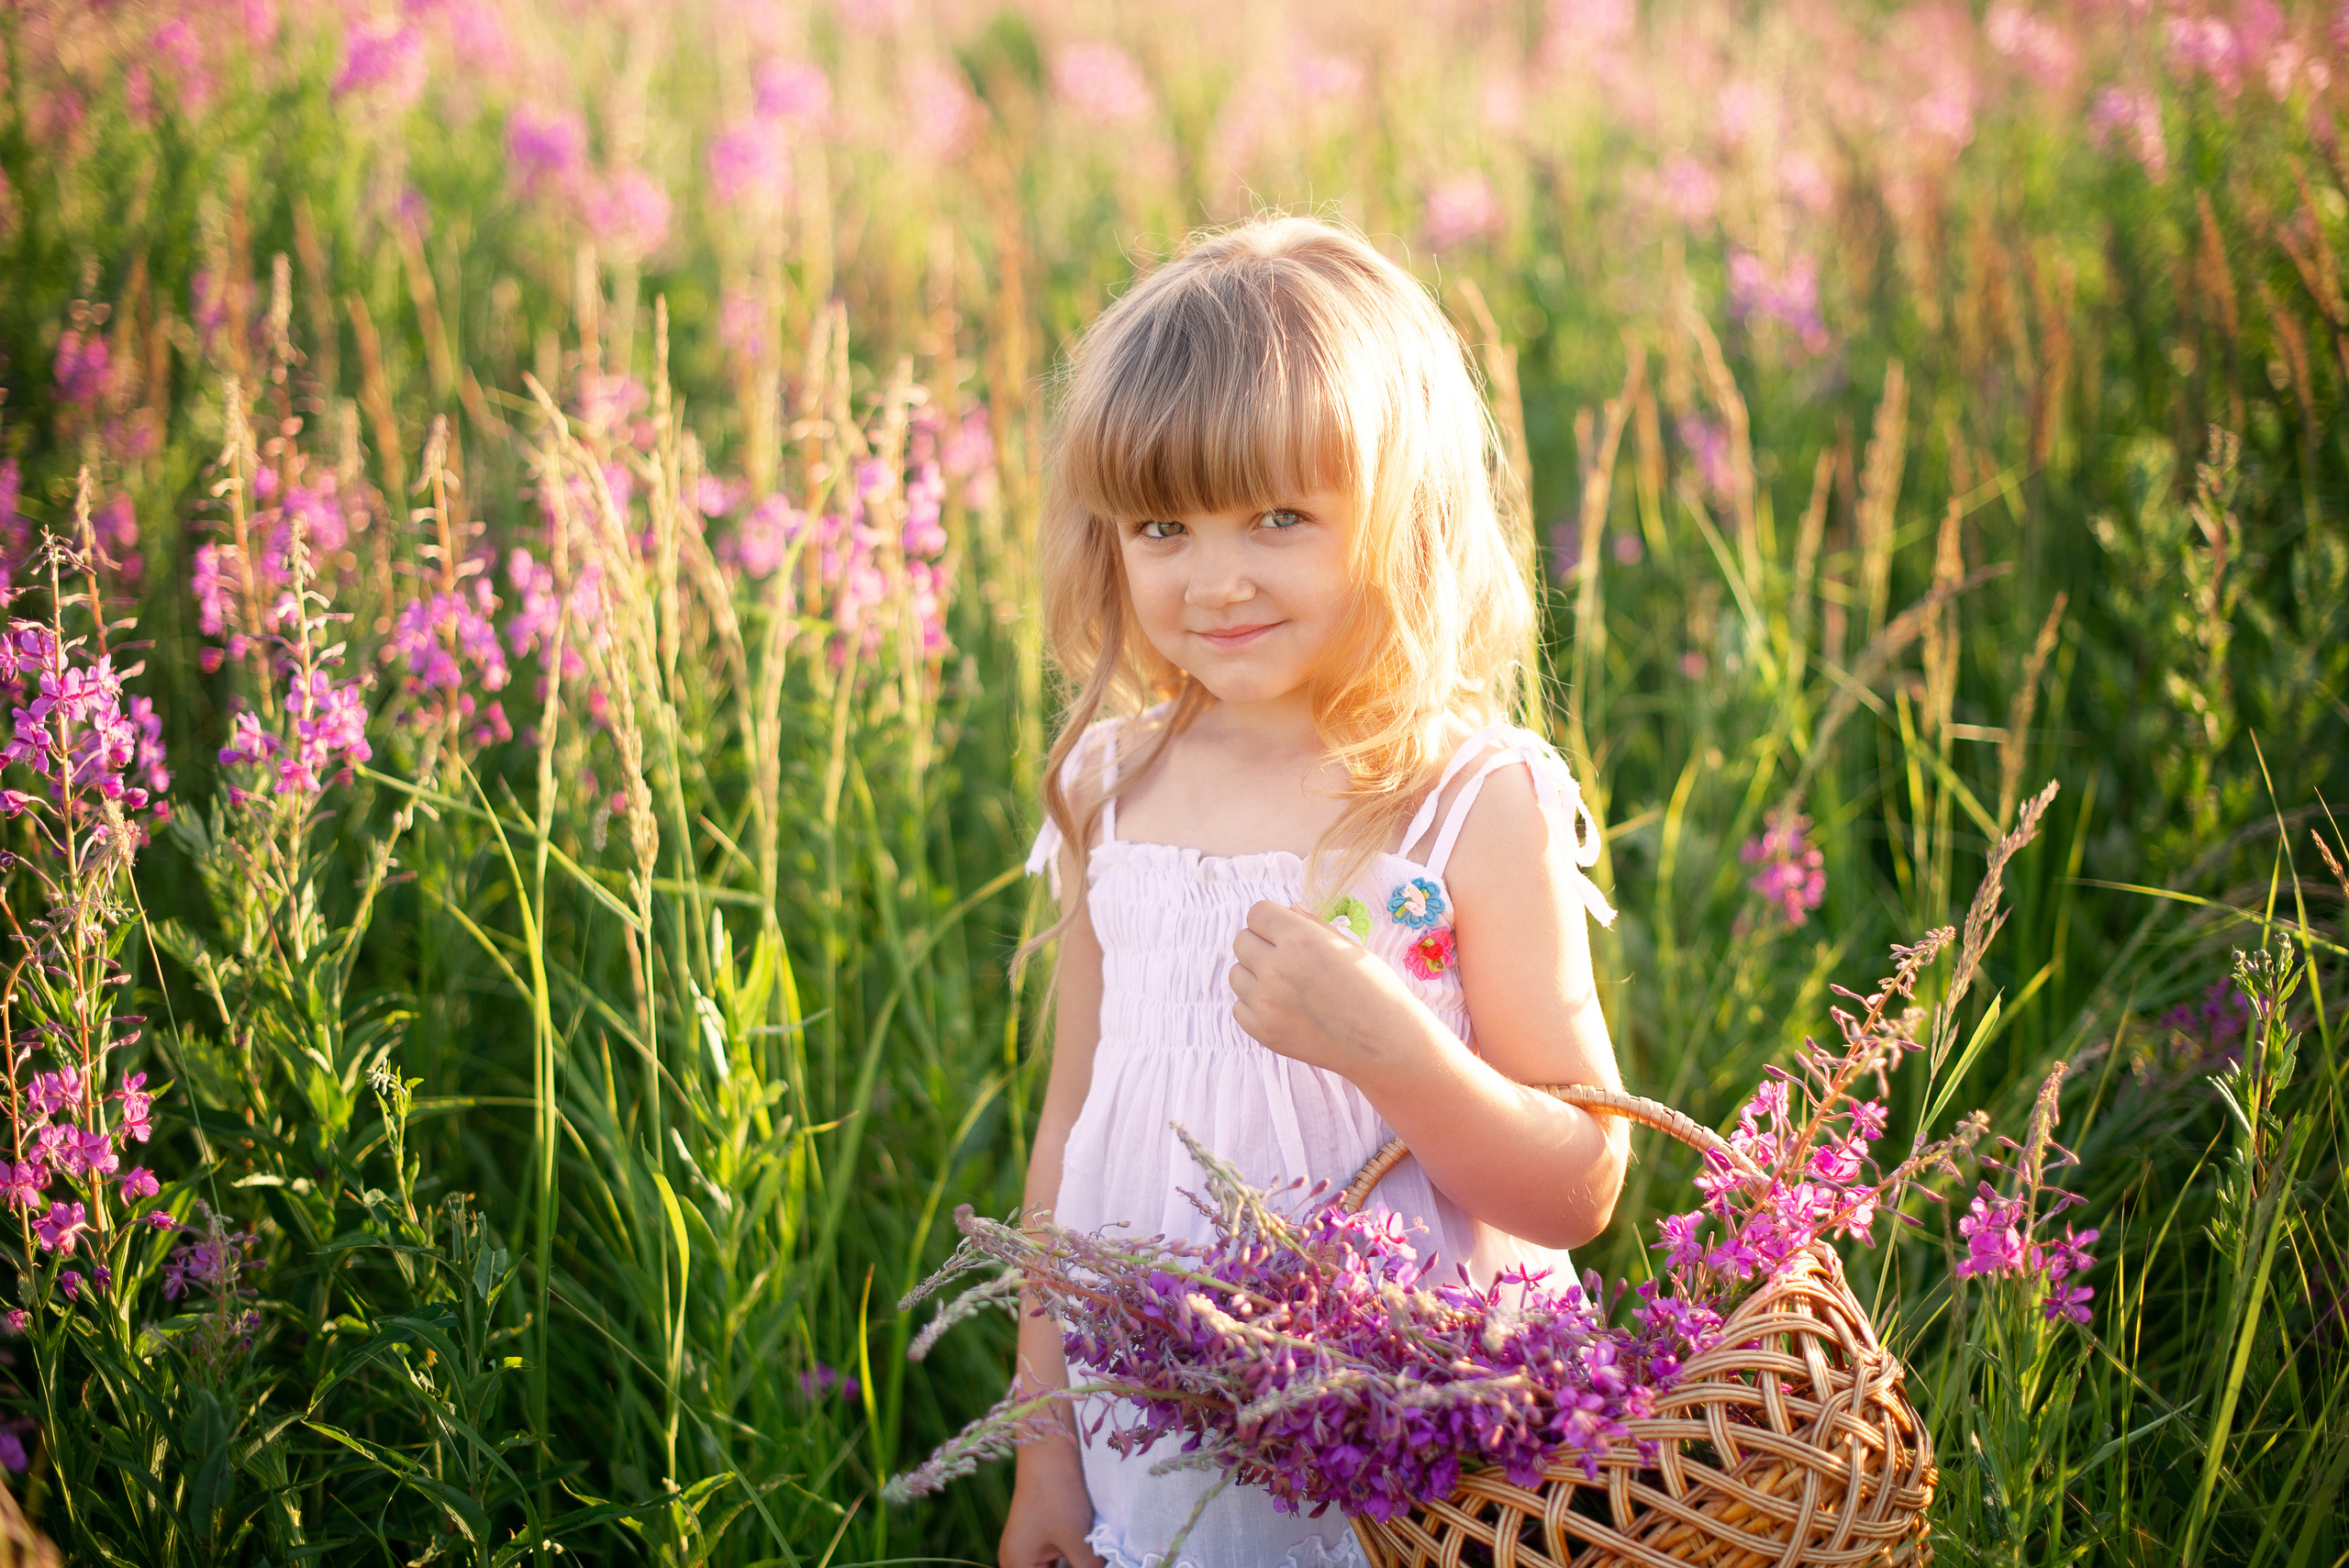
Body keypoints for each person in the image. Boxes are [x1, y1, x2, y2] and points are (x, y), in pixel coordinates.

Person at [1003, 215, 1631, 1568]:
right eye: (1161, 524)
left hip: (1424, 1453)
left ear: (1400, 517)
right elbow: (1068, 1135)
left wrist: (1397, 1055)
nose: (1215, 578)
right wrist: (1046, 1445)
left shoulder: (1470, 799)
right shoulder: (1113, 784)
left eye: (1279, 517)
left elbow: (1582, 1179)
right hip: (1161, 1442)